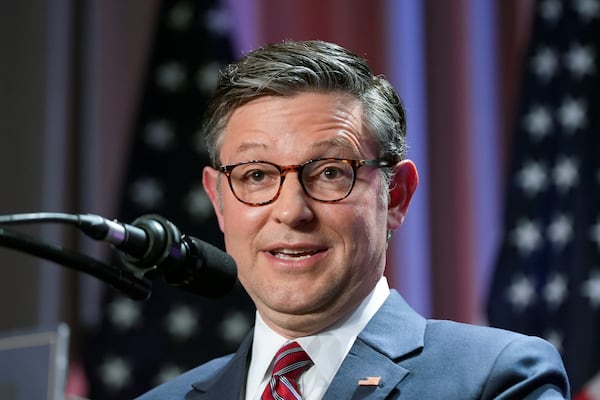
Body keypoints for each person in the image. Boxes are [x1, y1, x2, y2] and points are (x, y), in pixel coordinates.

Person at [137, 40, 569, 399]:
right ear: (218, 199)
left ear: (395, 196)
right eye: (256, 175)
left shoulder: (497, 379)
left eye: (329, 173)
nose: (291, 212)